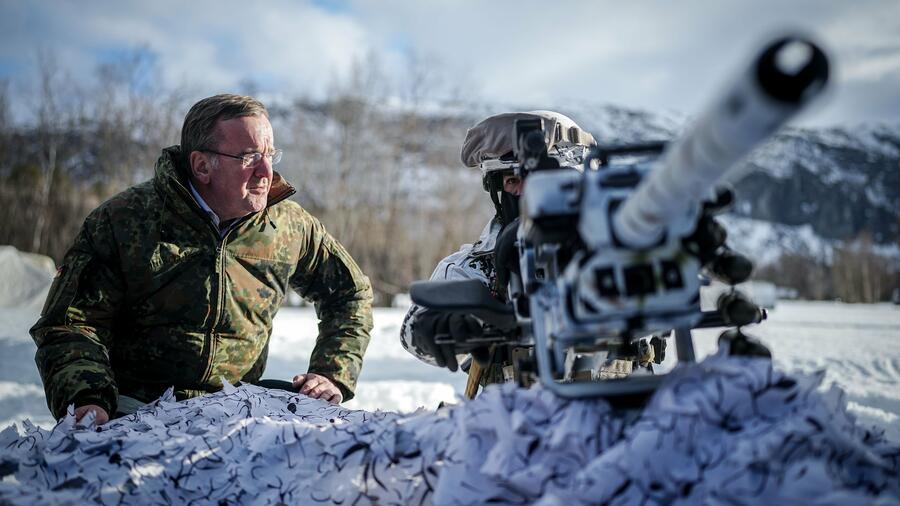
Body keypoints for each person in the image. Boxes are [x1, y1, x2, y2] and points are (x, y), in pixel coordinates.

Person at [31, 94, 374, 424]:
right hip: (134, 408)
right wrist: (87, 396)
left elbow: (350, 293)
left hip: (240, 409)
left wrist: (332, 373)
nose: (266, 171)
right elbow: (71, 323)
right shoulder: (124, 221)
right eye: (249, 157)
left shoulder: (289, 225)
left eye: (271, 155)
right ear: (201, 165)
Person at [400, 110, 598, 387]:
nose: (530, 195)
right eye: (513, 181)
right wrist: (441, 325)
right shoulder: (473, 265)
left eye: (544, 182)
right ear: (498, 191)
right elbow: (414, 333)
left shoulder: (623, 252)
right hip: (515, 423)